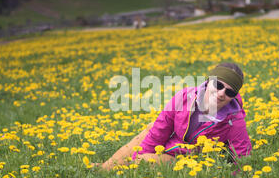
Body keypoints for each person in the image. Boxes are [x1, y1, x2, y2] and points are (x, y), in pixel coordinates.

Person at [100, 62, 252, 170]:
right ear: (208, 81)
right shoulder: (184, 97)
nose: (221, 94)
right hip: (170, 145)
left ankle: (124, 167)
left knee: (144, 161)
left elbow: (242, 154)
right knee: (151, 129)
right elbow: (159, 130)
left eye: (229, 92)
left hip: (191, 161)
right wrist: (141, 155)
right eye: (218, 85)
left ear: (233, 96)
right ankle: (106, 168)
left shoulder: (234, 118)